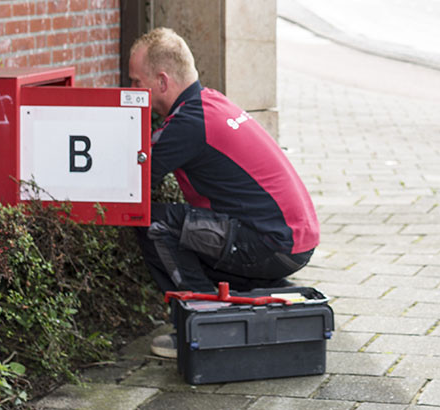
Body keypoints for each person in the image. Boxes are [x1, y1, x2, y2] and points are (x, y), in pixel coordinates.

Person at [129, 28, 319, 358]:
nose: (132, 91)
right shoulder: (210, 102)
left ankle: (204, 324)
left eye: (135, 82)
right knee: (189, 235)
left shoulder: (188, 123)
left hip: (273, 243)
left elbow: (132, 179)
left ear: (161, 81)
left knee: (155, 224)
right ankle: (257, 302)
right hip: (292, 240)